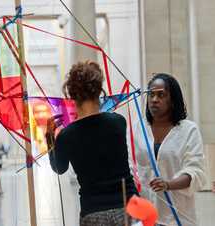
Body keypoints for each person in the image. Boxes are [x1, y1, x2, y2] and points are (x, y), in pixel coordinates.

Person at [45, 61, 138, 226]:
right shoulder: (118, 122)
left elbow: (60, 168)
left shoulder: (66, 135)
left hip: (93, 212)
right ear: (99, 90)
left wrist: (50, 137)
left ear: (72, 96)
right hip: (128, 205)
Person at [131, 73, 206, 226]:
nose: (154, 100)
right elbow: (129, 165)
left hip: (178, 217)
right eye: (151, 94)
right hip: (145, 217)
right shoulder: (139, 127)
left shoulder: (189, 130)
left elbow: (195, 171)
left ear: (172, 100)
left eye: (161, 95)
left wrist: (168, 184)